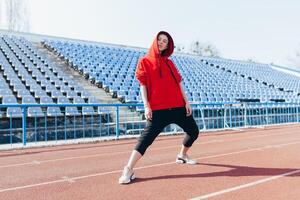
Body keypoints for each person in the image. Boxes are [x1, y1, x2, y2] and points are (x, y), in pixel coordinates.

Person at [119, 31, 199, 184]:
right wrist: (146, 106)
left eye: (165, 41)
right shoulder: (144, 61)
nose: (162, 43)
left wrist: (186, 102)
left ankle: (182, 155)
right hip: (158, 109)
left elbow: (179, 83)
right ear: (155, 41)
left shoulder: (169, 62)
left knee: (194, 131)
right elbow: (143, 85)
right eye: (160, 40)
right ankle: (128, 169)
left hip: (177, 106)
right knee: (145, 140)